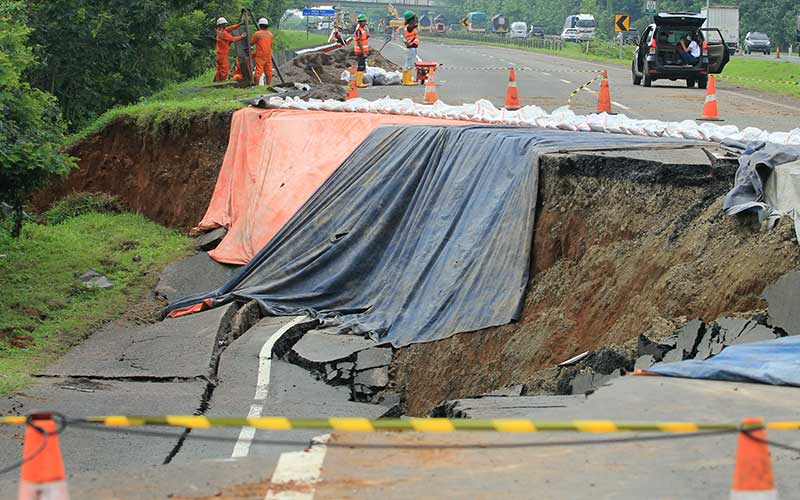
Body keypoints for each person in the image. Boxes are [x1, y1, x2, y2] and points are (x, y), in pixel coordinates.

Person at [214, 17, 243, 82]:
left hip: (219, 54)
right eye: (224, 24)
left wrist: (238, 25)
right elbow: (233, 39)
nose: (226, 25)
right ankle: (222, 82)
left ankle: (217, 81)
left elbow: (230, 28)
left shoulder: (219, 31)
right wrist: (241, 36)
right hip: (222, 54)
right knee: (225, 69)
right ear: (222, 25)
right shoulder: (223, 33)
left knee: (219, 69)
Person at [250, 18, 274, 86]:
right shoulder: (270, 34)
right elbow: (270, 45)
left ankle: (257, 85)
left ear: (260, 25)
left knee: (258, 71)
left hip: (260, 55)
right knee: (269, 71)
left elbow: (251, 43)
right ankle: (268, 85)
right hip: (268, 55)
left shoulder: (257, 34)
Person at [402, 11, 419, 86]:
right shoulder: (409, 27)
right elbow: (414, 26)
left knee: (409, 63)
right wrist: (415, 21)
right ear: (411, 19)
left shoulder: (409, 26)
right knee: (408, 64)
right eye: (413, 18)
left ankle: (407, 79)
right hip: (411, 47)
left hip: (412, 47)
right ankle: (407, 80)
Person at [354, 14, 370, 88]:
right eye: (364, 21)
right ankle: (359, 83)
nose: (365, 23)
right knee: (361, 66)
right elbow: (359, 42)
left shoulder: (363, 30)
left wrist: (367, 36)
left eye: (365, 21)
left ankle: (359, 81)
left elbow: (363, 39)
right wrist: (364, 52)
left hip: (362, 51)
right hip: (360, 51)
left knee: (362, 66)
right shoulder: (359, 30)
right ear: (360, 22)